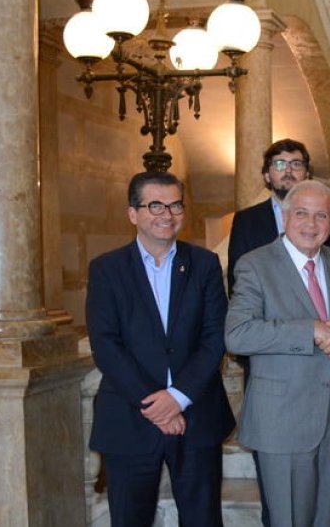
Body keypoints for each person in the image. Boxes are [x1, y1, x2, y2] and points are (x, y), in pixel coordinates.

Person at [86, 171, 234, 527]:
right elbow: (105, 344)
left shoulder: (204, 264)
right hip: (130, 418)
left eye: (175, 205)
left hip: (196, 417)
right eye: (155, 205)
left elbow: (215, 337)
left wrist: (179, 397)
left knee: (203, 519)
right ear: (133, 213)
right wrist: (156, 405)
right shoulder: (107, 269)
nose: (167, 214)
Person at [225, 180, 330, 527]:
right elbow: (238, 335)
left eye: (322, 216)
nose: (311, 224)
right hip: (283, 418)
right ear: (284, 217)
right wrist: (310, 329)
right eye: (301, 213)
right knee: (290, 519)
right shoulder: (254, 264)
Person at [227, 138, 330, 293]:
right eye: (280, 164)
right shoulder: (246, 220)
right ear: (267, 175)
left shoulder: (327, 216)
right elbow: (237, 279)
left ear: (307, 174)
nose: (288, 171)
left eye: (296, 164)